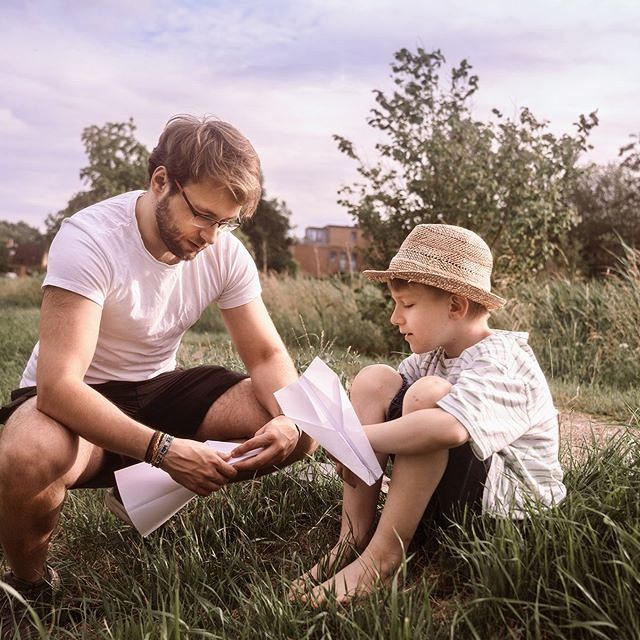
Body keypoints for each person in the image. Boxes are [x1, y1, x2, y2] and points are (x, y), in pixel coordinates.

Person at [0, 115, 314, 630]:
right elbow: (59, 387)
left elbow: (265, 357)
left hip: (157, 388)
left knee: (299, 428)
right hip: (75, 398)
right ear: (161, 181)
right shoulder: (89, 239)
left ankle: (139, 494)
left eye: (227, 223)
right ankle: (30, 587)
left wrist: (287, 419)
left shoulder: (222, 250)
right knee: (29, 452)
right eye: (203, 216)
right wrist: (163, 450)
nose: (212, 237)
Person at [291, 223, 565, 603]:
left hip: (502, 514)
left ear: (456, 305)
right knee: (375, 379)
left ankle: (382, 558)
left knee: (428, 397)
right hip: (447, 498)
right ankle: (353, 536)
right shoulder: (433, 357)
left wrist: (350, 437)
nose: (394, 318)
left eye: (407, 305)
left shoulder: (504, 361)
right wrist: (338, 432)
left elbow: (449, 429)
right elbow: (383, 399)